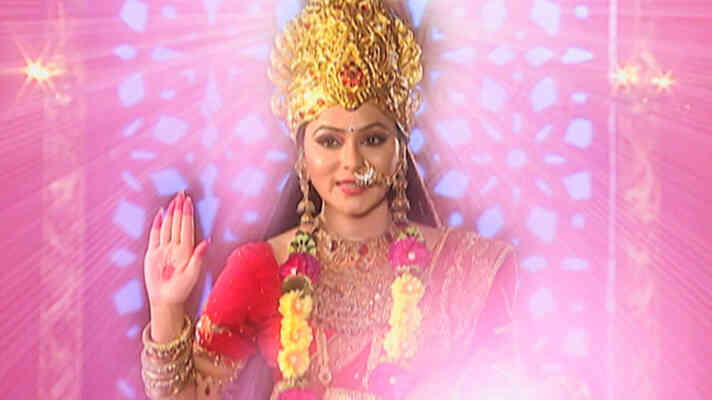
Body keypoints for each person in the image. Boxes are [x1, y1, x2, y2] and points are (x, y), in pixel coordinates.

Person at [140, 1, 519, 399]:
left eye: (373, 139)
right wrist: (165, 307)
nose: (352, 162)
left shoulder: (467, 271)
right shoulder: (260, 270)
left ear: (400, 149)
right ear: (303, 153)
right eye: (329, 141)